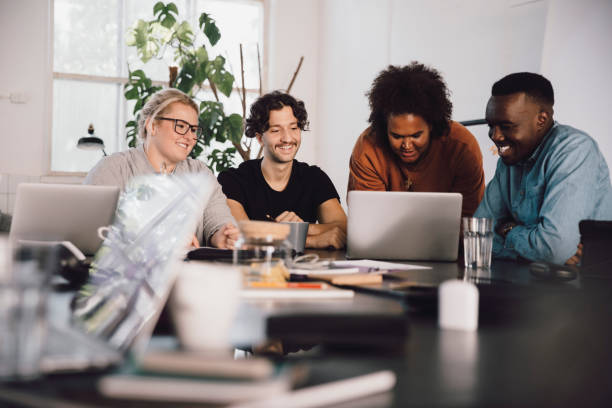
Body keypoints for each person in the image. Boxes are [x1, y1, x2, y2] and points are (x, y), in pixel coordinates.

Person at [474, 72, 612, 265]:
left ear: (541, 119)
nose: (495, 136)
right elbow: (478, 237)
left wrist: (509, 230)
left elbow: (554, 249)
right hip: (530, 283)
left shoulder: (575, 151)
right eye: (491, 125)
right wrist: (537, 250)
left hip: (582, 289)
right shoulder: (510, 159)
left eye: (506, 126)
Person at [84, 88, 238, 248]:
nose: (190, 137)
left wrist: (223, 236)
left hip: (190, 271)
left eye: (193, 129)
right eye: (181, 126)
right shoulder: (113, 169)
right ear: (152, 126)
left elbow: (219, 221)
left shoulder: (201, 174)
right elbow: (92, 231)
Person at [348, 63, 485, 218]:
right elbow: (368, 220)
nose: (406, 145)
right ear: (384, 128)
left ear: (432, 125)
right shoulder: (368, 150)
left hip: (452, 242)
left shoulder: (462, 147)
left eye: (416, 136)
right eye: (397, 136)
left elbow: (470, 220)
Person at [217, 91, 347, 249]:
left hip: (306, 269)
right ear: (259, 138)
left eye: (293, 128)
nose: (287, 138)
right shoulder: (233, 180)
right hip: (250, 270)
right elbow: (241, 235)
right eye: (276, 130)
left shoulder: (314, 177)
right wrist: (310, 240)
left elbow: (343, 230)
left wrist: (299, 229)